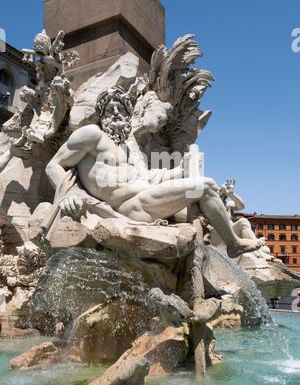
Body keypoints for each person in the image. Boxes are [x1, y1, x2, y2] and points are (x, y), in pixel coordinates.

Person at [46, 88, 264, 259]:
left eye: (120, 109)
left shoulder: (129, 148)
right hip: (127, 209)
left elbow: (147, 178)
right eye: (110, 109)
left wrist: (179, 170)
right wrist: (69, 195)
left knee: (204, 185)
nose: (115, 114)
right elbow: (53, 165)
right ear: (101, 114)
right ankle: (233, 243)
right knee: (203, 186)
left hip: (144, 199)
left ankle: (226, 241)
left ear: (128, 115)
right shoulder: (92, 135)